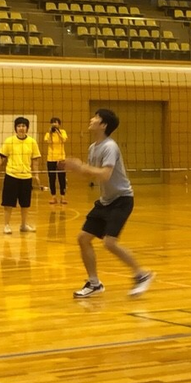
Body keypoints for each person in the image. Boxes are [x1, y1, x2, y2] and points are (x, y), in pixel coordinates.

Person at [67, 108, 154, 298]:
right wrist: (77, 169)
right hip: (105, 201)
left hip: (122, 199)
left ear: (103, 125)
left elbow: (105, 175)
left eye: (96, 118)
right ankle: (94, 284)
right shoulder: (93, 147)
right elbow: (92, 175)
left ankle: (142, 275)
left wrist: (82, 167)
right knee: (83, 239)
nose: (91, 119)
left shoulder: (110, 147)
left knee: (109, 243)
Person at [0, 116, 42, 234]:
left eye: (23, 126)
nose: (21, 128)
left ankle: (24, 225)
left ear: (27, 128)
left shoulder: (32, 142)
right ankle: (6, 225)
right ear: (15, 128)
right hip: (11, 175)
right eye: (19, 126)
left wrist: (36, 175)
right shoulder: (9, 141)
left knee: (25, 204)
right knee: (8, 203)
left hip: (26, 176)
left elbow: (35, 160)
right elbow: (2, 157)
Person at [45, 117, 68, 206]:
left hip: (61, 158)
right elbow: (49, 142)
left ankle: (63, 196)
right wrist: (51, 133)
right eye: (53, 123)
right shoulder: (48, 134)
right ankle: (53, 197)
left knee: (62, 178)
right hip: (51, 158)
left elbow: (63, 140)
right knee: (52, 178)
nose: (54, 124)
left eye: (56, 122)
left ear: (59, 124)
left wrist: (58, 132)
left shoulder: (63, 132)